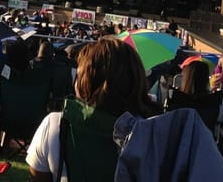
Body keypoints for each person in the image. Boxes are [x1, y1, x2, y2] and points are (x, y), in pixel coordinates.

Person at [26, 37, 161, 181]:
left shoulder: (56, 124)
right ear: (136, 79)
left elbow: (38, 176)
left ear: (83, 79)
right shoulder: (154, 135)